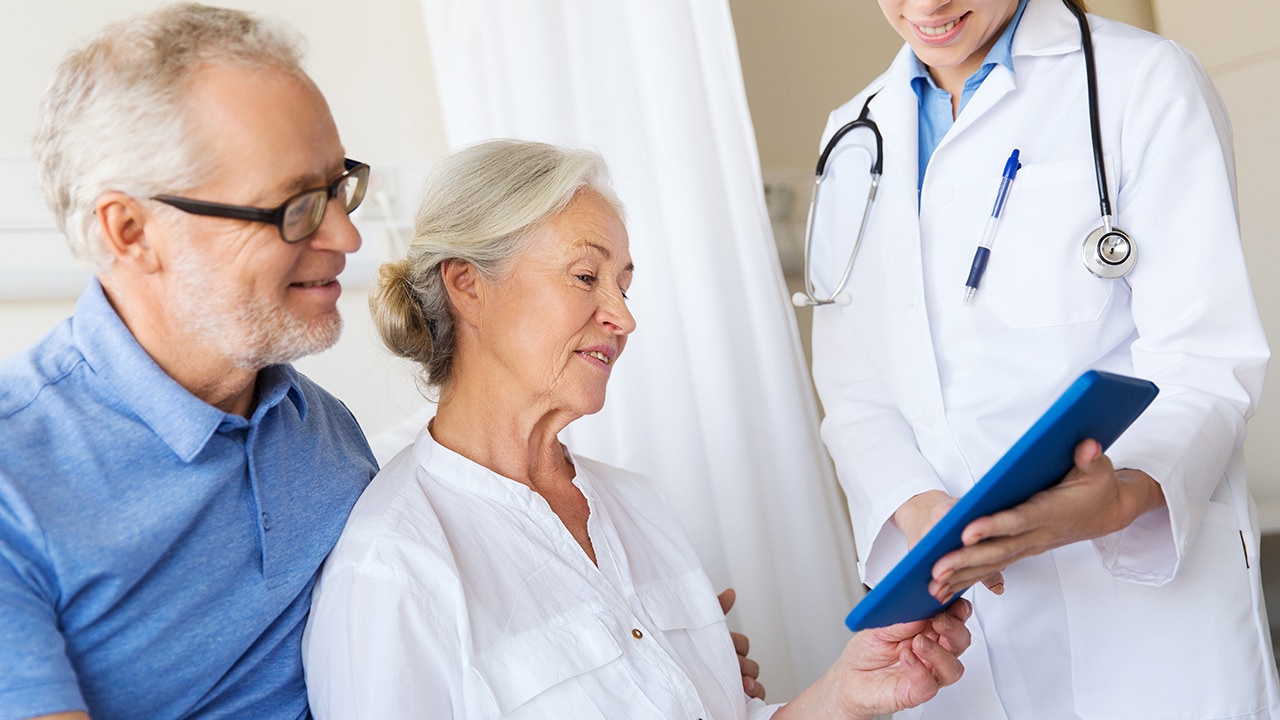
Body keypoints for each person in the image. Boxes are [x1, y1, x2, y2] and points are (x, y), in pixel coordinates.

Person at [301, 138, 974, 719]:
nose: (621, 316)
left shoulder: (634, 506)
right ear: (468, 287)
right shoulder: (395, 567)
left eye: (624, 284)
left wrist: (845, 693)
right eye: (586, 277)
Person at [807, 0, 1280, 717]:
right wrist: (917, 510)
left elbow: (1206, 360)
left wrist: (1120, 494)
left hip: (1140, 612)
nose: (926, 6)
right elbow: (855, 389)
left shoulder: (1142, 81)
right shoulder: (852, 135)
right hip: (959, 626)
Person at [0, 4, 381, 718]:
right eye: (296, 205)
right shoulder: (13, 481)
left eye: (338, 187)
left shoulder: (328, 437)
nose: (347, 236)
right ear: (133, 231)